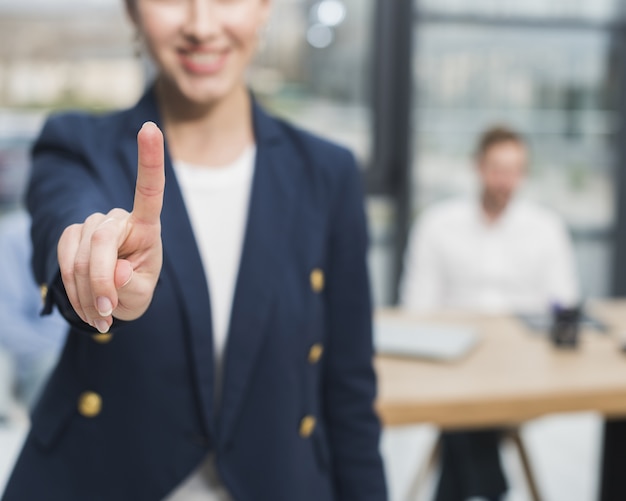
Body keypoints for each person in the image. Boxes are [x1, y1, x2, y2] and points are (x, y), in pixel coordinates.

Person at [1, 1, 387, 500]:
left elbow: (349, 389)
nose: (202, 26)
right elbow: (69, 221)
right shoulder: (77, 146)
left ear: (265, 7)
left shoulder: (327, 174)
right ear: (132, 11)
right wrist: (99, 271)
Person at [399, 126, 579, 501]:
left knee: (463, 419)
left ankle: (458, 492)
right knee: (466, 401)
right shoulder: (437, 224)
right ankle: (490, 489)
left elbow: (564, 304)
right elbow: (416, 309)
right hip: (452, 364)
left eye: (515, 170)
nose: (506, 181)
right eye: (498, 169)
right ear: (478, 168)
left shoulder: (546, 229)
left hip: (523, 367)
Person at [0, 210, 67, 417]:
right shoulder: (14, 235)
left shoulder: (102, 228)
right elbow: (6, 322)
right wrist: (57, 350)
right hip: (46, 363)